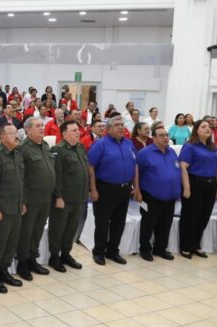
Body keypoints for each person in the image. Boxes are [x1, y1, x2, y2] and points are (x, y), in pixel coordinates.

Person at [88, 116, 140, 266]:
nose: (121, 127)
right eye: (117, 125)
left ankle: (112, 251)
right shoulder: (100, 144)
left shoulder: (129, 144)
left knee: (119, 222)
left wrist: (136, 187)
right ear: (108, 129)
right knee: (103, 223)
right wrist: (93, 189)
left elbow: (135, 165)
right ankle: (99, 252)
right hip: (105, 189)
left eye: (122, 125)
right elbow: (90, 166)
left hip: (124, 189)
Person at [0, 124, 25, 292]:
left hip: (17, 207)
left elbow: (22, 181)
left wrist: (23, 202)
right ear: (1, 137)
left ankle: (4, 270)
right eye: (12, 133)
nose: (16, 135)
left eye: (16, 132)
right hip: (3, 208)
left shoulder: (18, 154)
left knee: (11, 242)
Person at [47, 121, 88, 273]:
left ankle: (66, 254)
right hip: (64, 198)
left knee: (71, 228)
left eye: (78, 130)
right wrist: (58, 196)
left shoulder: (80, 147)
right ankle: (54, 256)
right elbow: (56, 175)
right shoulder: (58, 150)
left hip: (78, 197)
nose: (78, 132)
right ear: (64, 134)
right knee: (58, 228)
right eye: (74, 130)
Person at [16, 117, 55, 280]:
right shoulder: (23, 149)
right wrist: (23, 200)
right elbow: (20, 177)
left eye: (42, 125)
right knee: (26, 232)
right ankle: (22, 263)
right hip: (30, 199)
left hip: (45, 198)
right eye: (38, 126)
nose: (42, 128)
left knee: (37, 230)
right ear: (28, 130)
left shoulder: (45, 145)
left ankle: (33, 258)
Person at [178, 119, 217, 259]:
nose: (207, 129)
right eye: (203, 127)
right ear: (196, 130)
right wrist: (187, 187)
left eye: (209, 127)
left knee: (204, 217)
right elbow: (183, 167)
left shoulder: (214, 148)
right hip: (194, 183)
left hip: (210, 185)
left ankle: (196, 244)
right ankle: (186, 246)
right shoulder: (190, 146)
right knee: (190, 217)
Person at [136, 126, 180, 262]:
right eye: (161, 135)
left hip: (170, 196)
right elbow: (137, 172)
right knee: (148, 224)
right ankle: (145, 249)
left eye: (166, 135)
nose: (166, 138)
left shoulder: (172, 152)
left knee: (165, 225)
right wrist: (137, 190)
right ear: (154, 138)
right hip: (151, 196)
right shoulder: (144, 153)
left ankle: (160, 249)